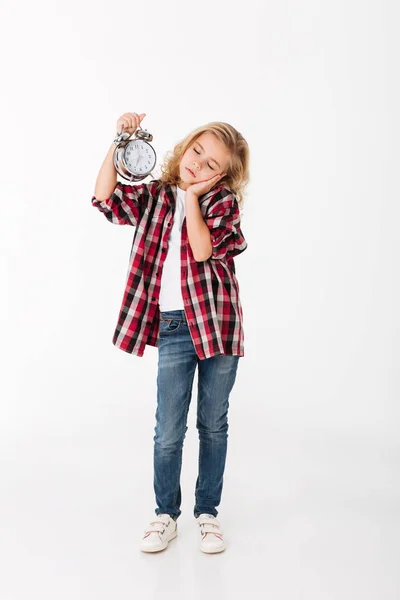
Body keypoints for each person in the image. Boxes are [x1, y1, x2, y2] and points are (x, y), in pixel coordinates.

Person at [91, 112, 250, 554]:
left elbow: (202, 250)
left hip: (218, 326)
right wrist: (119, 140)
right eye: (197, 151)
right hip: (175, 326)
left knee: (212, 424)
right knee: (169, 429)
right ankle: (166, 514)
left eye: (211, 165)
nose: (198, 165)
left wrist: (194, 199)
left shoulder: (221, 204)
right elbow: (104, 197)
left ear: (224, 176)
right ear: (185, 147)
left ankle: (207, 514)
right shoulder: (155, 196)